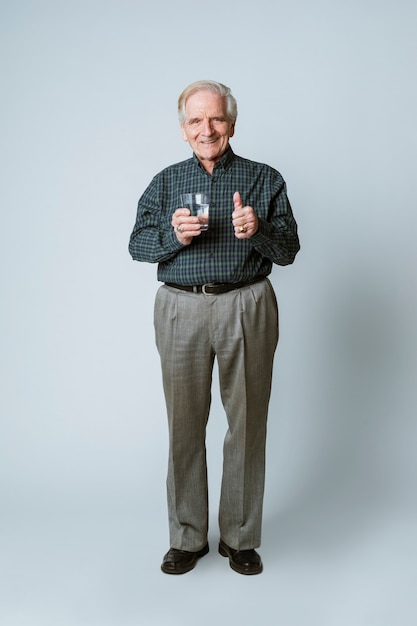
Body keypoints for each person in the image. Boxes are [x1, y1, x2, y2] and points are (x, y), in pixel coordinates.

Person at [129, 80, 300, 575]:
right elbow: (138, 245)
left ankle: (240, 538)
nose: (207, 129)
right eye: (196, 121)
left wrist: (258, 230)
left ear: (232, 123)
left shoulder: (264, 179)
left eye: (216, 119)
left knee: (246, 426)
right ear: (183, 130)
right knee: (185, 425)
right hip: (180, 307)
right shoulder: (164, 182)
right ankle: (187, 537)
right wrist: (172, 235)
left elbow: (288, 250)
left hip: (246, 303)